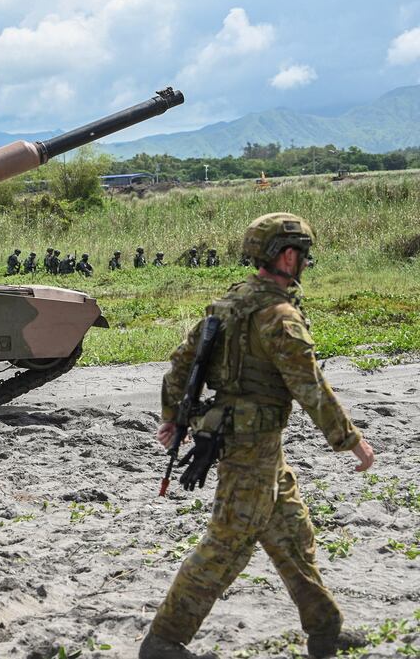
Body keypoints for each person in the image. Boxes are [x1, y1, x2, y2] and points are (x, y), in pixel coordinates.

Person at [140, 213, 374, 659]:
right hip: (250, 448)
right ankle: (164, 641)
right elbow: (310, 387)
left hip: (255, 446)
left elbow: (181, 364)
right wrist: (350, 441)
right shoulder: (279, 316)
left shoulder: (229, 304)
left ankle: (325, 631)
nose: (304, 263)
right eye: (302, 255)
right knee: (226, 544)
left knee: (292, 533)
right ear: (288, 256)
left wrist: (173, 415)